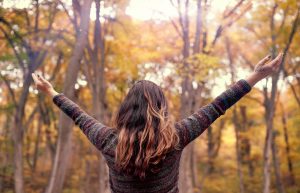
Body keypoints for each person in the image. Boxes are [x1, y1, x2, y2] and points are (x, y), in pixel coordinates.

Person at [32, 53, 283, 193]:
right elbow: (219, 105)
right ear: (160, 108)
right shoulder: (177, 136)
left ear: (125, 111)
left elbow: (77, 114)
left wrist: (50, 91)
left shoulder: (108, 141)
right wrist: (256, 76)